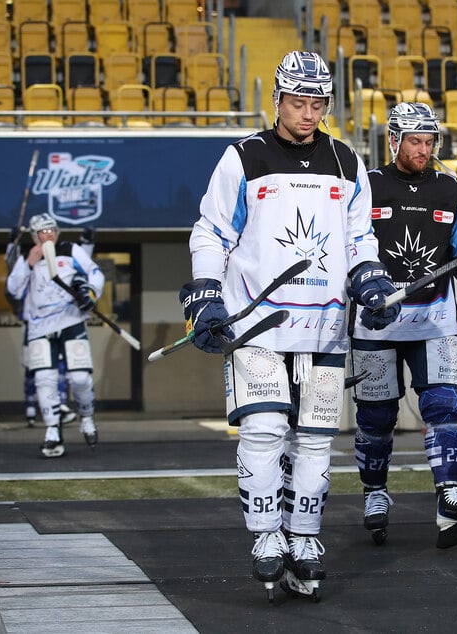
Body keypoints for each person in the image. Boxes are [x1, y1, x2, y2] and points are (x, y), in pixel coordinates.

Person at [181, 50, 399, 602]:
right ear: (277, 99)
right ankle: (265, 536)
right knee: (262, 430)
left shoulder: (347, 161)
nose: (307, 113)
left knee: (316, 439)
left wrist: (370, 281)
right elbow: (210, 232)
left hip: (324, 327)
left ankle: (304, 538)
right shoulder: (243, 157)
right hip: (256, 325)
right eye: (298, 101)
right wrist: (207, 296)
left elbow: (359, 239)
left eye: (317, 103)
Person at [350, 102, 457, 549]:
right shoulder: (366, 187)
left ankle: (449, 496)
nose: (423, 149)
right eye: (415, 141)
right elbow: (346, 250)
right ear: (394, 140)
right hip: (375, 323)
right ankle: (375, 493)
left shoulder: (452, 190)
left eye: (429, 141)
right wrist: (358, 292)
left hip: (435, 319)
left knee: (444, 405)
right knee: (376, 417)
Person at [6, 214, 105, 458]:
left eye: (52, 230)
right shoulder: (28, 256)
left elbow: (95, 272)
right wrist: (29, 263)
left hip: (71, 319)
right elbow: (13, 289)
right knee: (45, 378)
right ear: (34, 235)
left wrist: (91, 292)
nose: (48, 234)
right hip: (39, 326)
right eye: (43, 231)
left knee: (80, 378)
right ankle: (52, 429)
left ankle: (87, 417)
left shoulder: (71, 250)